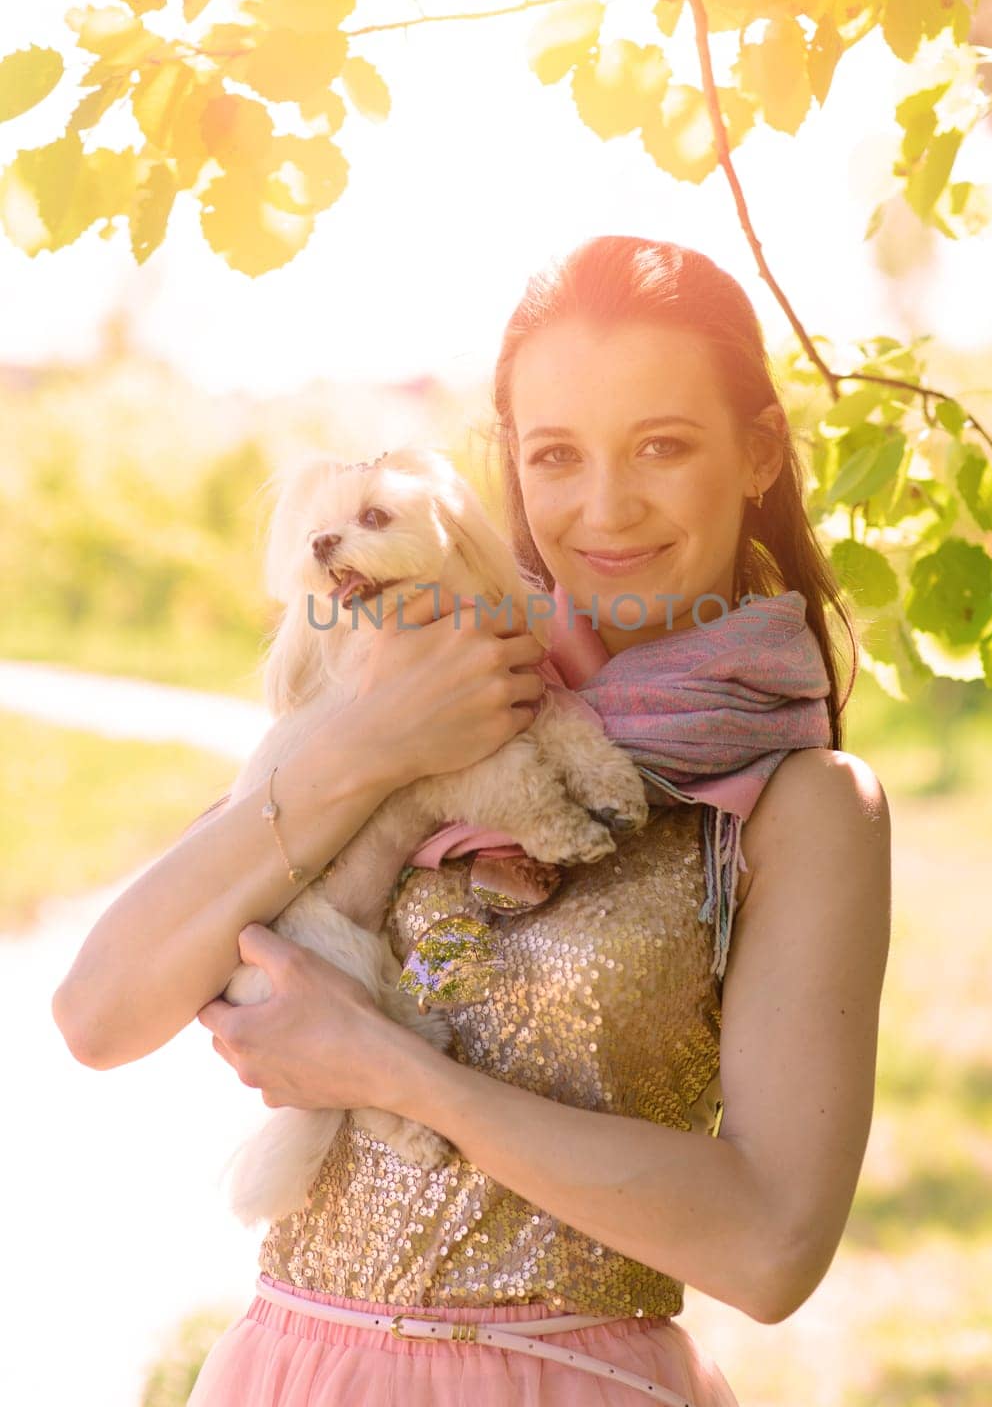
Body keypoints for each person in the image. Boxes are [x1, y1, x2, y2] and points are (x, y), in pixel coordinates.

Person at [52, 235, 892, 1406]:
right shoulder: (415, 681)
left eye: (663, 445)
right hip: (292, 1374)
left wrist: (399, 1075)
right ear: (512, 469)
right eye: (557, 454)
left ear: (757, 455)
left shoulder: (802, 805)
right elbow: (98, 1013)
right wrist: (365, 745)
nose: (605, 506)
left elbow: (771, 1246)